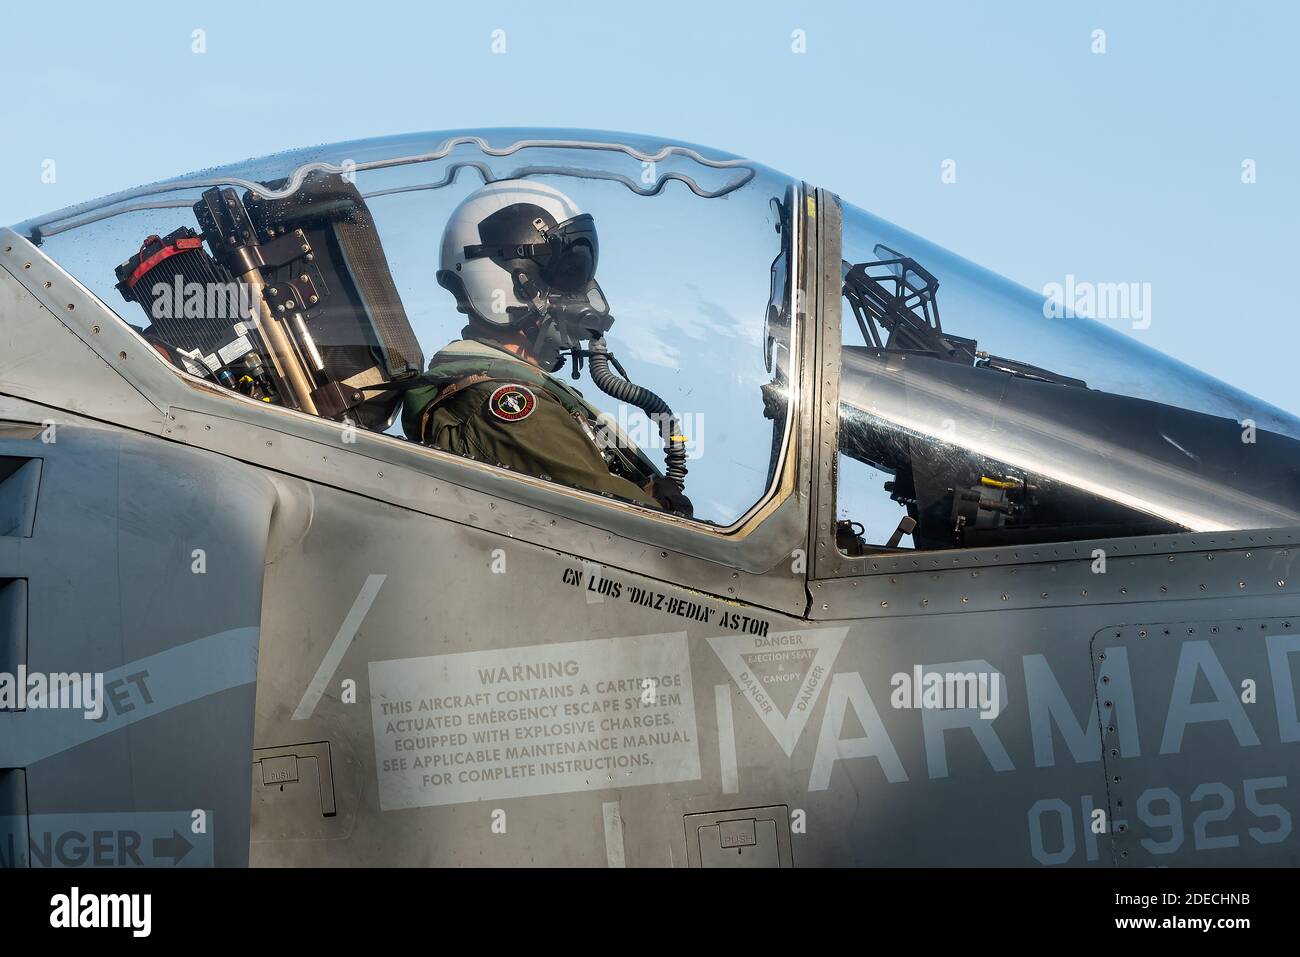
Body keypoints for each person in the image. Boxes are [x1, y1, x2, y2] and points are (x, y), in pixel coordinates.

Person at [402, 179, 691, 515]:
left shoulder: (522, 391)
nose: (581, 294)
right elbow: (632, 523)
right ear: (509, 280)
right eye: (566, 275)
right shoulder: (507, 408)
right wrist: (657, 503)